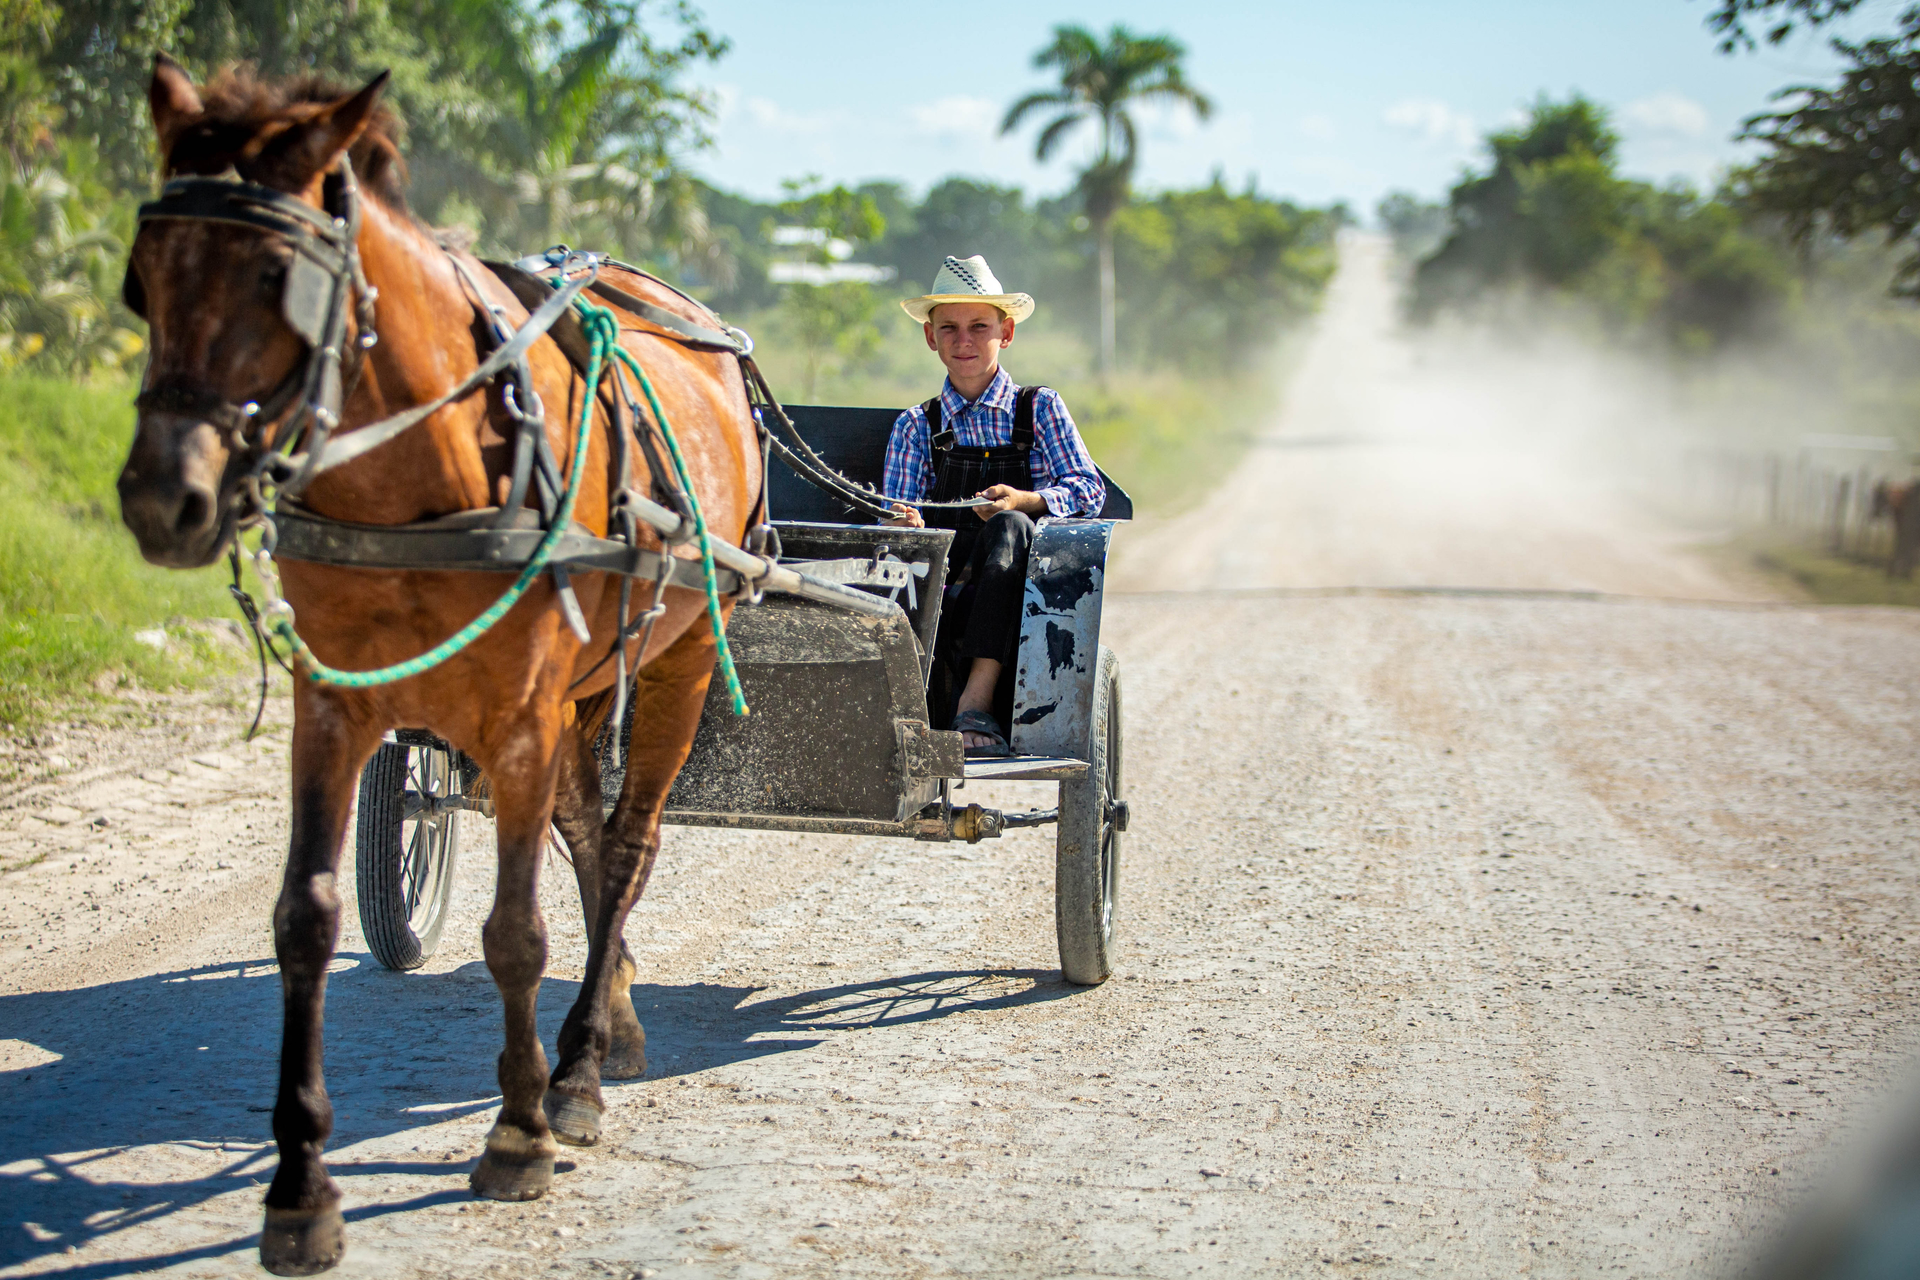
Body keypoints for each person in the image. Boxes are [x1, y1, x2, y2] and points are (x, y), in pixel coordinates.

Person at [882, 255, 1106, 756]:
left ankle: (977, 699)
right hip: (944, 582)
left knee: (1009, 525)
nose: (964, 340)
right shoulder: (916, 425)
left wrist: (1027, 501)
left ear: (1004, 333)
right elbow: (897, 512)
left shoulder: (1039, 408)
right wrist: (904, 519)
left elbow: (1089, 489)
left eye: (978, 326)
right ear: (930, 337)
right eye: (950, 328)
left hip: (1023, 588)